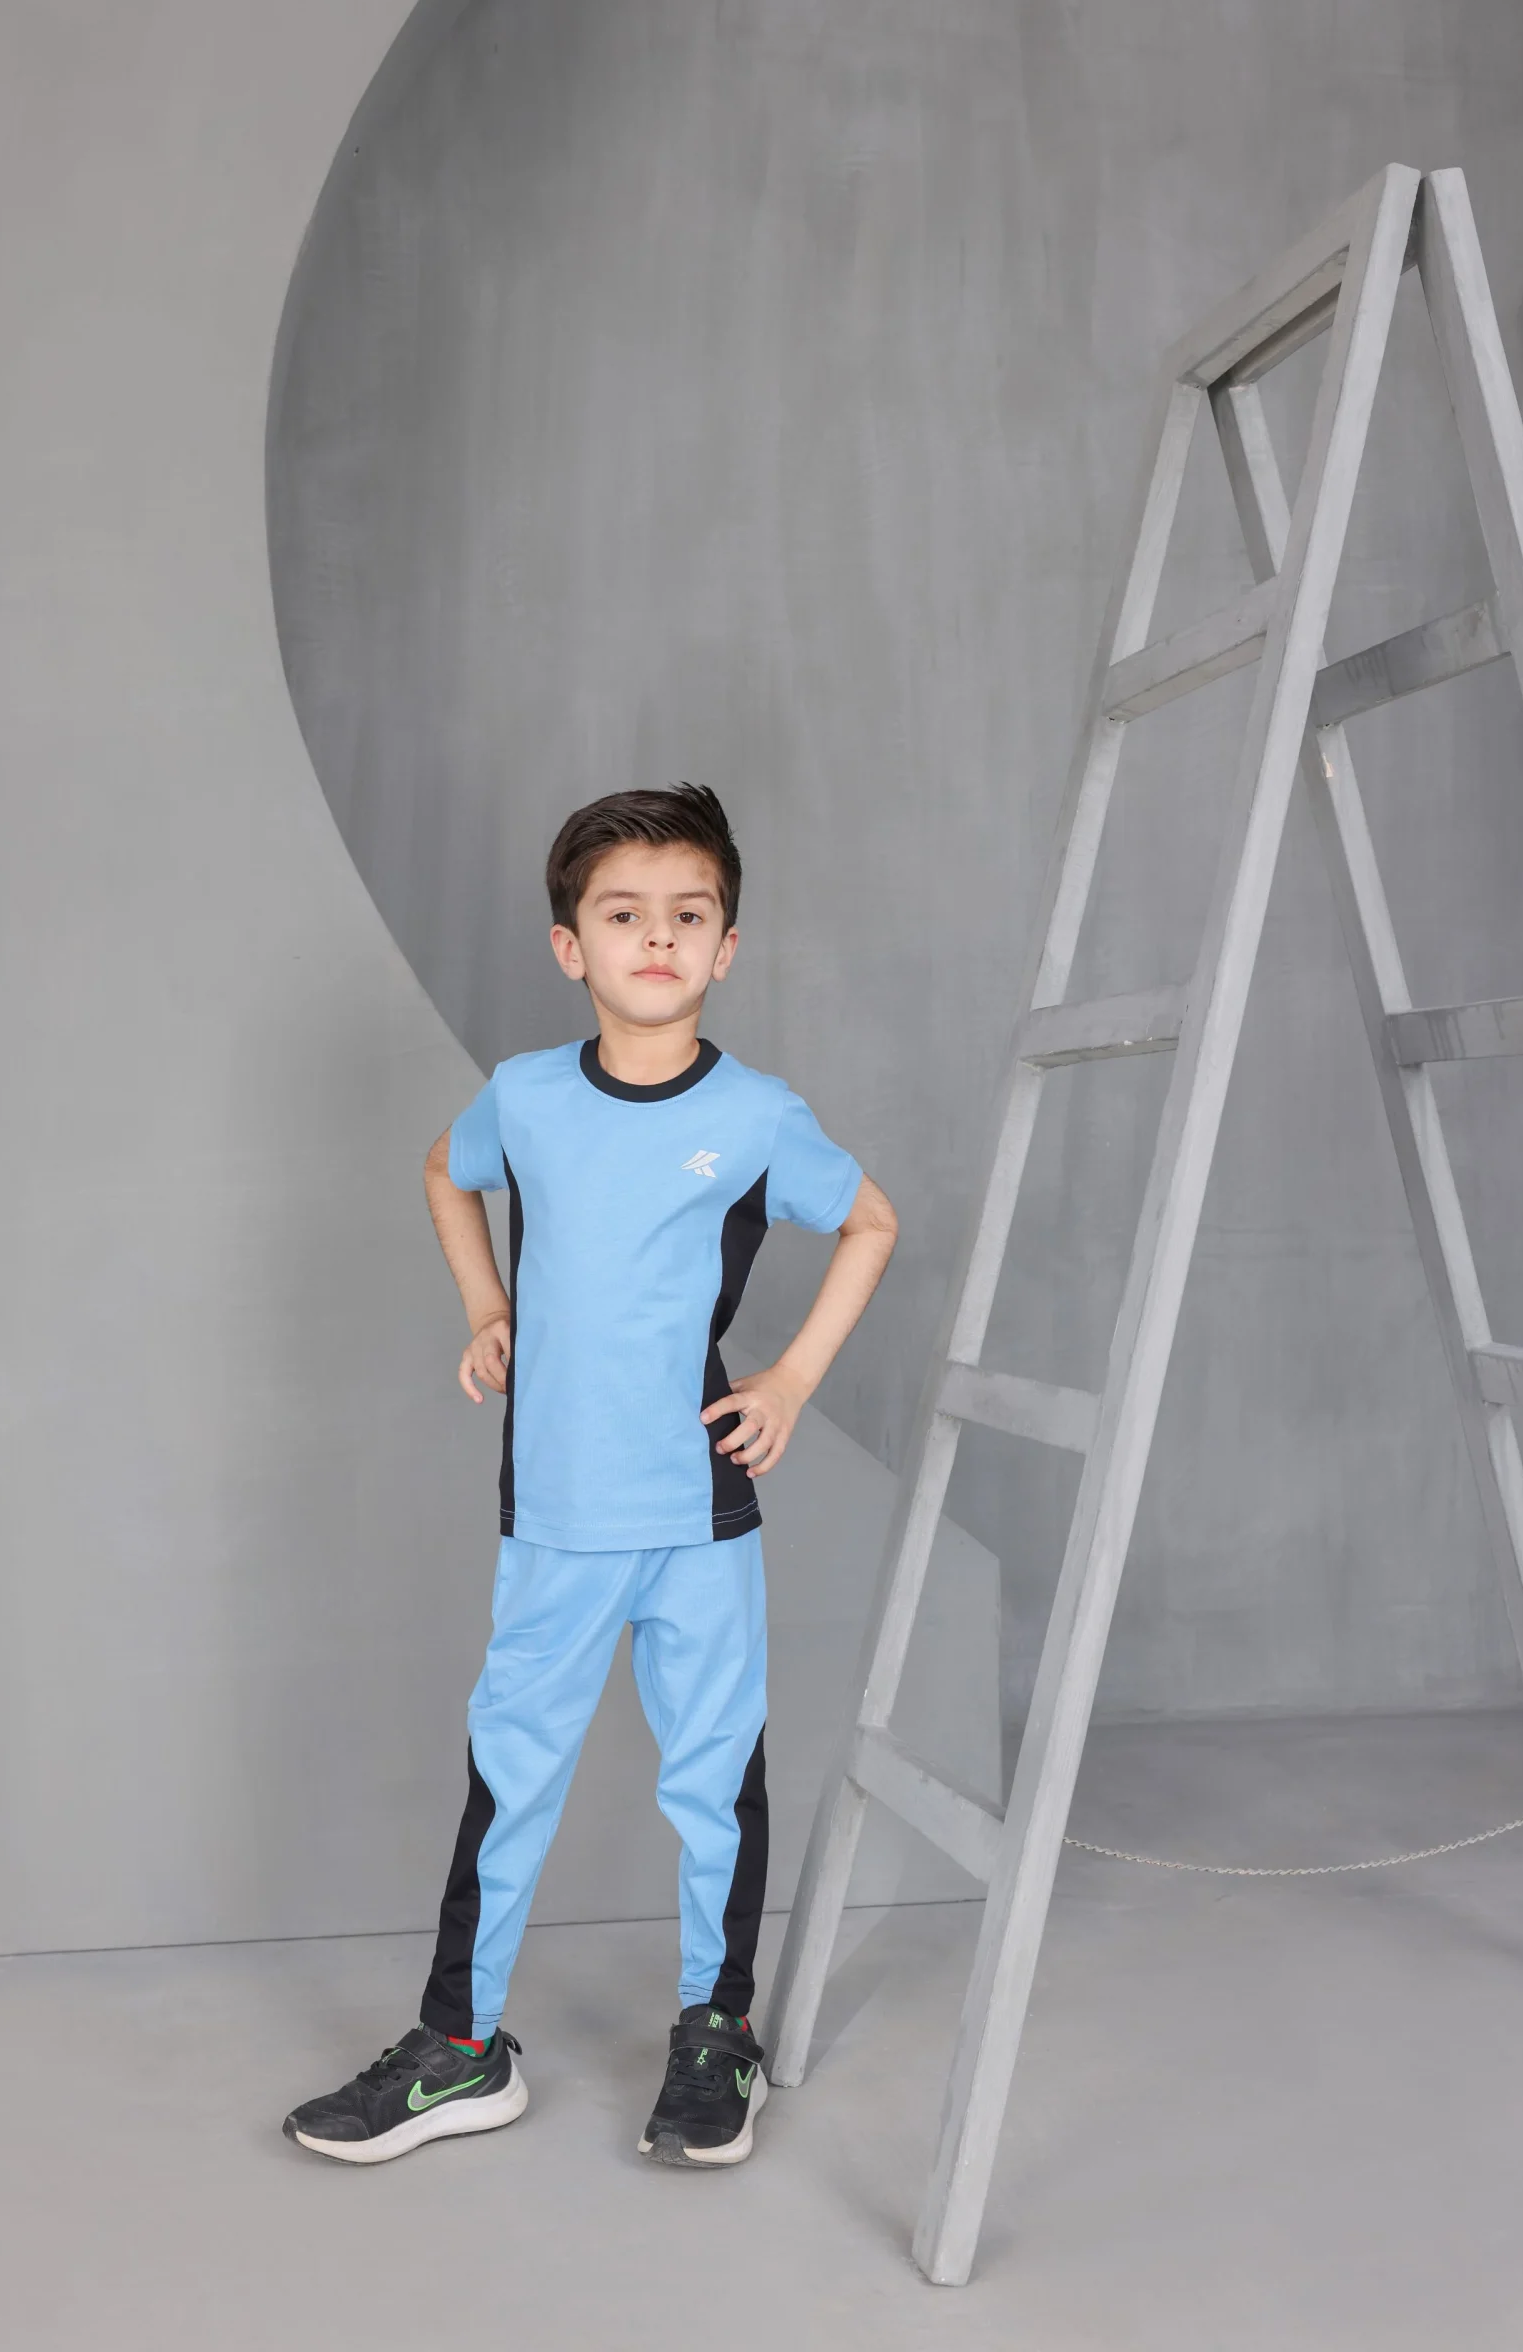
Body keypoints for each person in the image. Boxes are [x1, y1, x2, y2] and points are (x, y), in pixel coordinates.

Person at [284, 783, 898, 2170]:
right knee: (510, 1777)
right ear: (573, 947)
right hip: (555, 1518)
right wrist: (485, 1305)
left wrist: (791, 1381)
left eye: (689, 915)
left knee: (712, 1780)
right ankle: (460, 2050)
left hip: (697, 1514)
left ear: (727, 943)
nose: (658, 938)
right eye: (625, 916)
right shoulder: (525, 1096)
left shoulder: (756, 1115)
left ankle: (717, 2034)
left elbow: (871, 1221)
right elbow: (445, 1173)